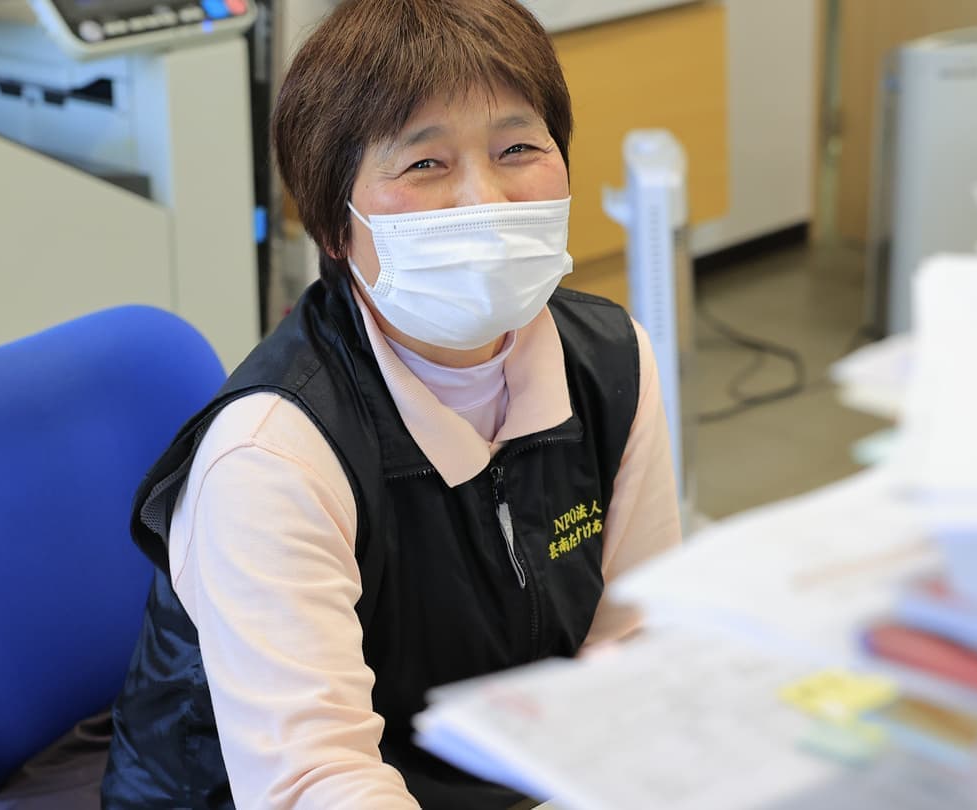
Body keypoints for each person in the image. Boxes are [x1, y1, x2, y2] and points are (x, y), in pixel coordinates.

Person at [101, 0, 682, 807]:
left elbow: (637, 642)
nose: (485, 199)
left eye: (518, 148)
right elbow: (315, 781)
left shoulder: (611, 363)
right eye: (424, 163)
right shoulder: (272, 455)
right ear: (334, 226)